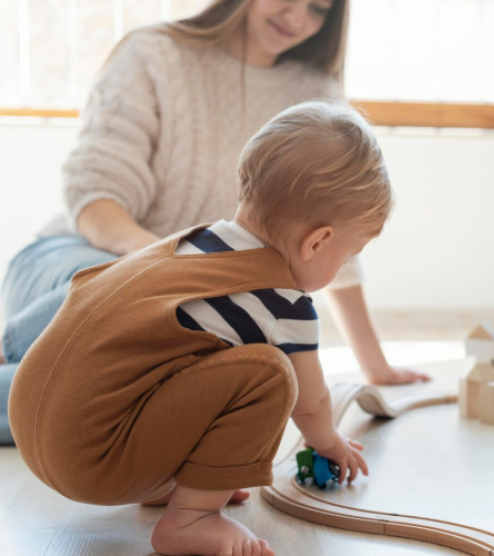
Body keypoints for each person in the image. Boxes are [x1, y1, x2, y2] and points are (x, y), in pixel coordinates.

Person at [0, 0, 428, 444]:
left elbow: (336, 239)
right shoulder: (153, 54)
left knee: (176, 374)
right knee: (119, 338)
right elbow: (95, 197)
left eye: (318, 9)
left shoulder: (314, 93)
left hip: (195, 296)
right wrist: (175, 267)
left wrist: (374, 364)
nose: (297, 18)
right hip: (81, 263)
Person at [10, 101, 384, 556]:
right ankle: (192, 518)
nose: (342, 265)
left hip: (32, 423)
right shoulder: (285, 304)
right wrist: (331, 442)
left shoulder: (193, 244)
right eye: (345, 256)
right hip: (92, 462)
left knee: (205, 365)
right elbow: (310, 406)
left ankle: (178, 483)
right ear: (318, 241)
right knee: (270, 375)